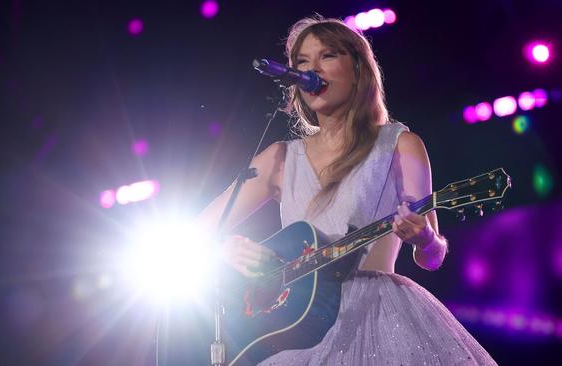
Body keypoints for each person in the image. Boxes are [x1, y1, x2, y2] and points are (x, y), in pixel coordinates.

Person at [198, 15, 497, 365]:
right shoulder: (280, 157)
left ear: (358, 69)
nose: (311, 70)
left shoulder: (399, 144)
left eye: (326, 56)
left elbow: (433, 257)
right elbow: (198, 233)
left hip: (379, 316)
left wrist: (425, 239)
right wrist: (227, 250)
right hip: (296, 330)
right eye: (301, 63)